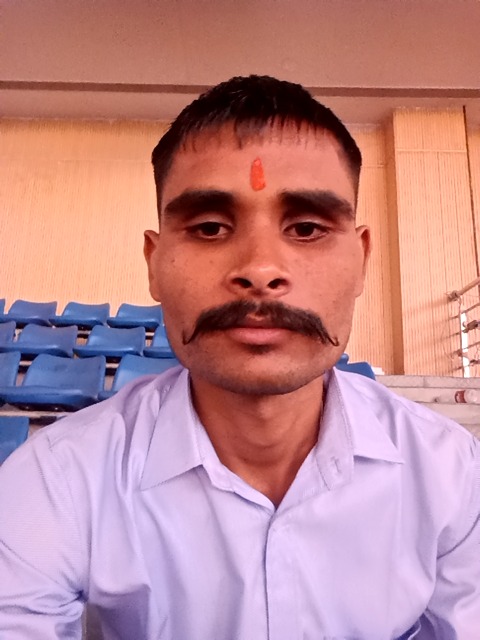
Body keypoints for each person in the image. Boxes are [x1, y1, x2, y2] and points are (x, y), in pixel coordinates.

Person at [0, 75, 478, 640]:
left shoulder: (451, 472)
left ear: (361, 260)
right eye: (209, 227)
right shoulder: (56, 477)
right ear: (154, 263)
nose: (260, 269)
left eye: (306, 228)